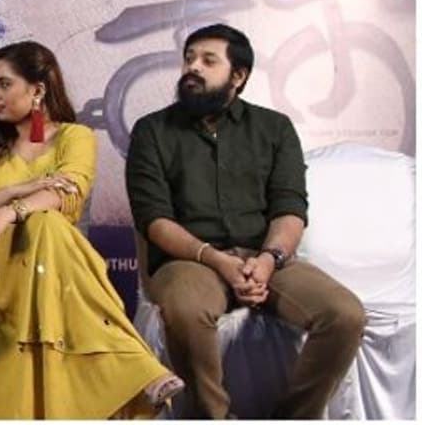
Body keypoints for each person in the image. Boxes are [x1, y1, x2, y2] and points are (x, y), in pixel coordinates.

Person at [126, 23, 366, 419]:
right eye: (189, 58)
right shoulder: (152, 131)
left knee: (345, 315)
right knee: (185, 309)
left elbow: (290, 208)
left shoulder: (274, 128)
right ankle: (212, 418)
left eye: (208, 60)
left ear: (238, 76)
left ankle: (294, 417)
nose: (193, 67)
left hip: (264, 258)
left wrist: (269, 259)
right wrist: (218, 260)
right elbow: (154, 220)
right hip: (190, 261)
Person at [0, 41, 183, 419]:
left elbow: (66, 196)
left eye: (4, 84)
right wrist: (13, 193)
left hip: (53, 269)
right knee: (46, 221)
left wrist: (10, 213)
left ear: (37, 90)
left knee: (47, 223)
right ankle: (134, 366)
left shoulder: (75, 137)